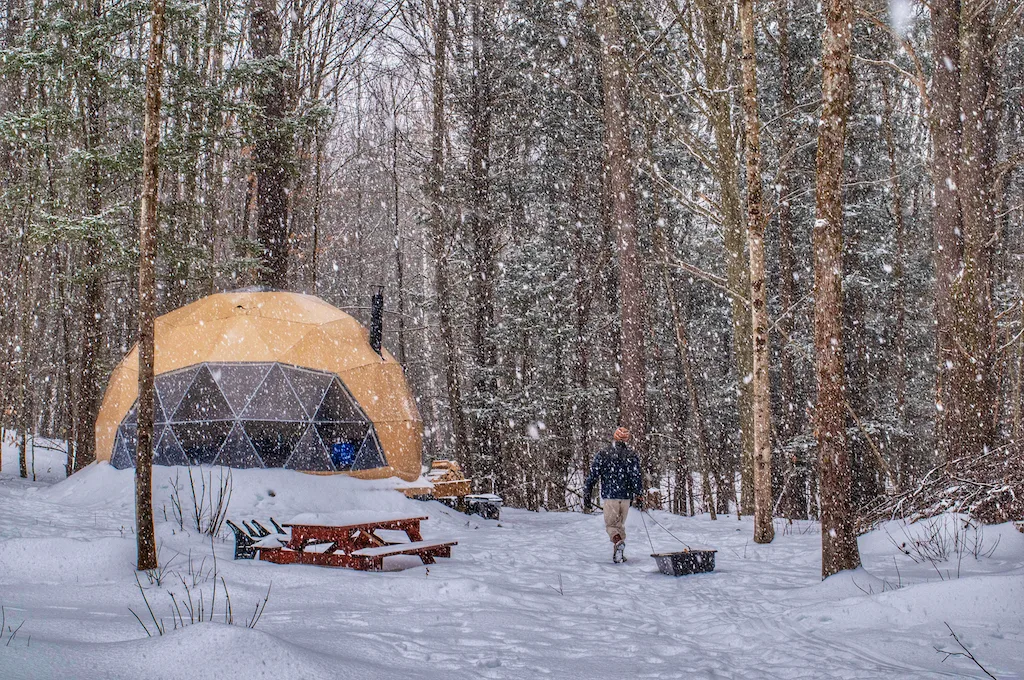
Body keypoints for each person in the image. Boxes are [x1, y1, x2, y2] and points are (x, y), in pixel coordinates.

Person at [583, 427, 643, 563]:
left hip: (611, 495)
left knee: (611, 525)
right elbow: (636, 476)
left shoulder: (603, 454)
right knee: (620, 525)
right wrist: (639, 494)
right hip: (626, 497)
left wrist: (587, 491)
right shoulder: (631, 455)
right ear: (626, 439)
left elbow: (593, 475)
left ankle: (618, 543)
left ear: (615, 438)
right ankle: (619, 554)